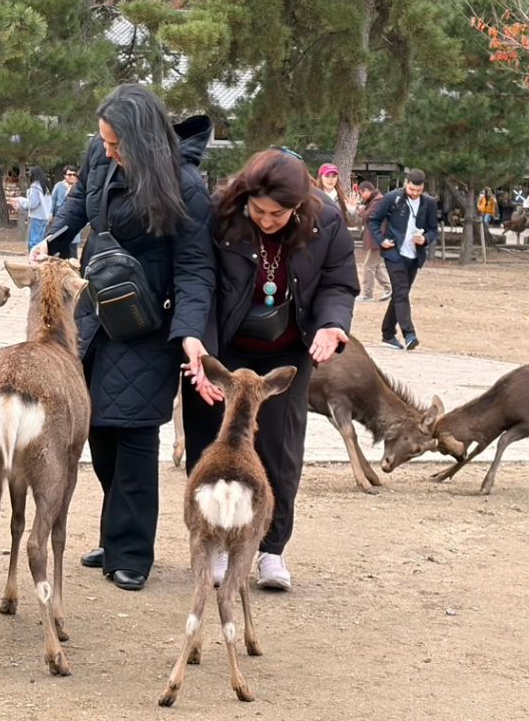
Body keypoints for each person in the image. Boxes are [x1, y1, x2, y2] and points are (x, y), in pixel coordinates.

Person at [37, 84, 215, 593]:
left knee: (133, 431)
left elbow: (195, 267)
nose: (108, 151)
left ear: (142, 140)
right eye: (105, 143)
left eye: (116, 145)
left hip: (147, 320)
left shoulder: (184, 184)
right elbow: (80, 201)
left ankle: (132, 551)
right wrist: (54, 236)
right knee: (97, 428)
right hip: (94, 309)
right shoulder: (100, 152)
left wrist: (189, 334)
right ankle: (115, 534)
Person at [180, 147, 359, 592]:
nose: (266, 220)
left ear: (298, 205)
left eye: (277, 214)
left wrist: (332, 324)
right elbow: (198, 278)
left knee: (281, 449)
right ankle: (216, 544)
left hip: (285, 353)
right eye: (257, 210)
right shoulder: (219, 212)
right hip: (222, 348)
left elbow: (338, 282)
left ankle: (271, 548)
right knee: (211, 447)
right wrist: (195, 340)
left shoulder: (326, 221)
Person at [368, 168, 439, 352]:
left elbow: (433, 229)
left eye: (418, 190)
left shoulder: (429, 203)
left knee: (400, 294)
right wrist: (381, 240)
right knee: (401, 291)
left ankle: (387, 334)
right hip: (394, 253)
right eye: (411, 189)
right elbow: (373, 220)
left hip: (414, 256)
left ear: (423, 188)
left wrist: (425, 239)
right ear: (406, 184)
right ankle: (409, 334)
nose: (414, 193)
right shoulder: (393, 198)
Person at [357, 181, 391, 302]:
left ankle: (368, 294)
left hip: (378, 238)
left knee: (369, 266)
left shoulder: (378, 201)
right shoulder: (375, 200)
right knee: (375, 265)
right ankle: (389, 288)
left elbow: (368, 216)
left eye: (361, 193)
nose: (361, 196)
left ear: (367, 190)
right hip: (378, 238)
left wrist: (361, 210)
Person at [12, 166, 52, 252]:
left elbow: (32, 204)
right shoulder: (46, 186)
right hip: (46, 216)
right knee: (42, 241)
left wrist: (20, 200)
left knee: (34, 241)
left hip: (37, 217)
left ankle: (33, 256)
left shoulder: (35, 187)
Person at [50, 164, 82, 260]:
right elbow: (53, 201)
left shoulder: (79, 187)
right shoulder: (59, 186)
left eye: (74, 174)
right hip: (60, 220)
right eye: (69, 174)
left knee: (73, 251)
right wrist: (51, 214)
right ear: (64, 175)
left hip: (74, 220)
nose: (72, 177)